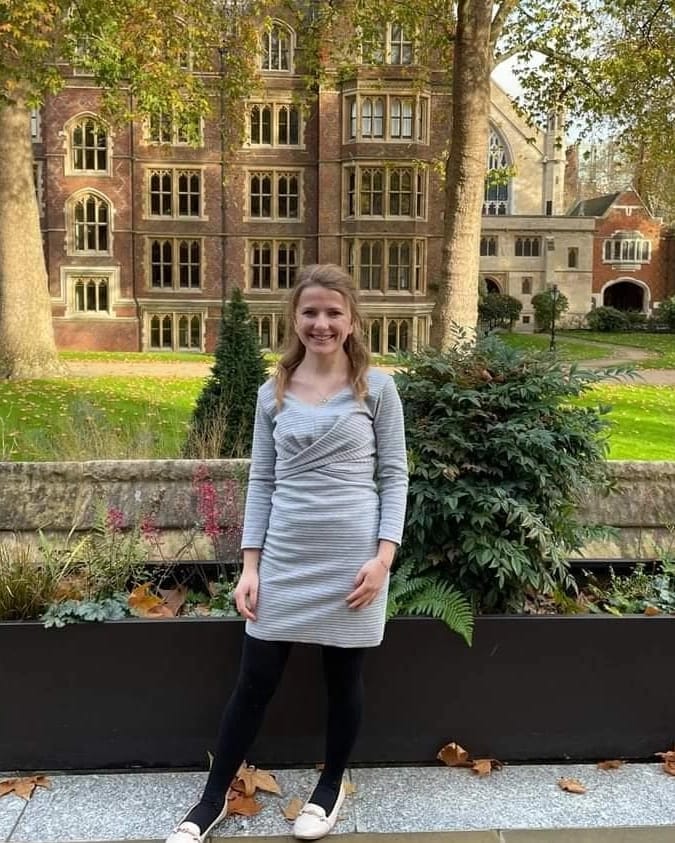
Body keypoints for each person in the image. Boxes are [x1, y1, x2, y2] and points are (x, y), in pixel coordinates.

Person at [167, 264, 408, 843]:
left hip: (353, 560)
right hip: (284, 556)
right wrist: (250, 566)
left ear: (352, 320)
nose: (321, 323)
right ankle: (211, 799)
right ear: (294, 319)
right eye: (310, 312)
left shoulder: (377, 388)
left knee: (343, 679)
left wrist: (383, 559)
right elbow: (262, 481)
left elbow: (395, 475)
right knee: (254, 681)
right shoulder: (270, 392)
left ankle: (330, 788)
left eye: (333, 312)